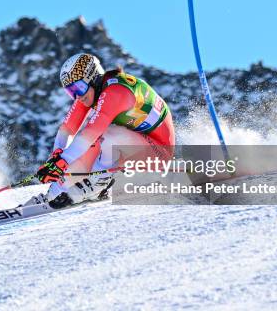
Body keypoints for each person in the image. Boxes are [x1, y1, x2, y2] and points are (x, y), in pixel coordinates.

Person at [29, 53, 176, 209]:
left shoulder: (115, 92)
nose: (78, 96)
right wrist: (55, 159)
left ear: (93, 77)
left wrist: (61, 161)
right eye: (71, 92)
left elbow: (90, 134)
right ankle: (52, 194)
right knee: (87, 149)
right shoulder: (89, 92)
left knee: (104, 135)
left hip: (159, 154)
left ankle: (99, 184)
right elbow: (66, 130)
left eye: (79, 87)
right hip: (131, 148)